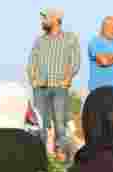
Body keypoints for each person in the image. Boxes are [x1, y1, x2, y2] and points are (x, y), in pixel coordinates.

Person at [28, 7, 81, 162]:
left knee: (60, 125)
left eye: (45, 18)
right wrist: (34, 79)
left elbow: (75, 61)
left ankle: (62, 160)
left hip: (60, 87)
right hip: (40, 88)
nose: (42, 21)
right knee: (39, 125)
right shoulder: (39, 40)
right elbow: (31, 62)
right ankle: (39, 158)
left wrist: (68, 78)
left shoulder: (70, 38)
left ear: (55, 19)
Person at [87, 16, 113, 94]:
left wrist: (110, 56)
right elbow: (104, 62)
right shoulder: (95, 42)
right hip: (98, 88)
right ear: (105, 27)